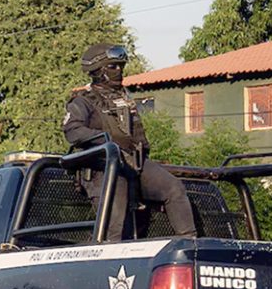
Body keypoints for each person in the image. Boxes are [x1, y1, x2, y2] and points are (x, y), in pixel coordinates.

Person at [62, 43, 197, 242]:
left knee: (173, 189)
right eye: (113, 67)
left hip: (134, 163)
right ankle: (111, 254)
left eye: (121, 66)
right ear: (98, 71)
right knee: (116, 227)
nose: (119, 71)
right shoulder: (83, 101)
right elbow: (73, 132)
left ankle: (189, 243)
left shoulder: (124, 98)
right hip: (104, 169)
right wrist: (107, 141)